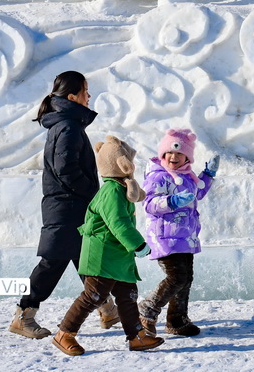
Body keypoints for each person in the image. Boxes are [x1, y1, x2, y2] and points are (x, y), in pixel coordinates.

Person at [9, 70, 102, 339]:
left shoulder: (66, 125)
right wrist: (92, 193)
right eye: (85, 91)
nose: (89, 96)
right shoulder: (69, 127)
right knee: (52, 263)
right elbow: (66, 170)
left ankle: (107, 308)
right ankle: (24, 315)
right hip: (67, 206)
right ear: (72, 97)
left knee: (85, 259)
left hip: (69, 205)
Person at [52, 135, 164, 354]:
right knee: (93, 295)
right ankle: (64, 333)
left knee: (128, 296)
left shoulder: (120, 189)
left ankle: (136, 336)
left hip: (118, 255)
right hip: (103, 255)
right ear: (122, 164)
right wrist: (138, 244)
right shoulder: (111, 191)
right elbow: (118, 223)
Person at [138, 128, 220, 337]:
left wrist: (207, 175)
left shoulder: (187, 176)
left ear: (187, 157)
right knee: (177, 277)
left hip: (185, 236)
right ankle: (147, 309)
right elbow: (149, 203)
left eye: (179, 154)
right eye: (169, 153)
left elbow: (197, 193)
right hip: (164, 236)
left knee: (186, 278)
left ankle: (177, 320)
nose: (173, 157)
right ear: (163, 154)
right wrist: (172, 201)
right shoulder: (158, 176)